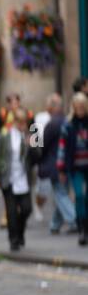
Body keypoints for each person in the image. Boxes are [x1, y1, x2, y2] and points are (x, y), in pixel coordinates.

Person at [0, 107, 35, 251]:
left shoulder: (31, 135)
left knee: (27, 209)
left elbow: (38, 156)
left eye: (25, 122)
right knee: (11, 212)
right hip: (8, 180)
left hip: (24, 180)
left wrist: (32, 144)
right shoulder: (4, 136)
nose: (23, 125)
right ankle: (13, 240)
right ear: (15, 121)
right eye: (20, 122)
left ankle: (20, 232)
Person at [34, 94, 76, 233]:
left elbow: (41, 144)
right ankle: (54, 224)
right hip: (62, 163)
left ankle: (74, 220)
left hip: (53, 164)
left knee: (60, 194)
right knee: (60, 193)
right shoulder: (44, 118)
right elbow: (35, 136)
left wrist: (35, 154)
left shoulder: (55, 122)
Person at [58, 91, 88, 245]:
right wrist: (61, 168)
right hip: (75, 167)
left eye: (82, 107)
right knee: (79, 195)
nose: (80, 110)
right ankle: (81, 227)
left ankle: (85, 226)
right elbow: (61, 148)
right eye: (78, 107)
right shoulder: (68, 125)